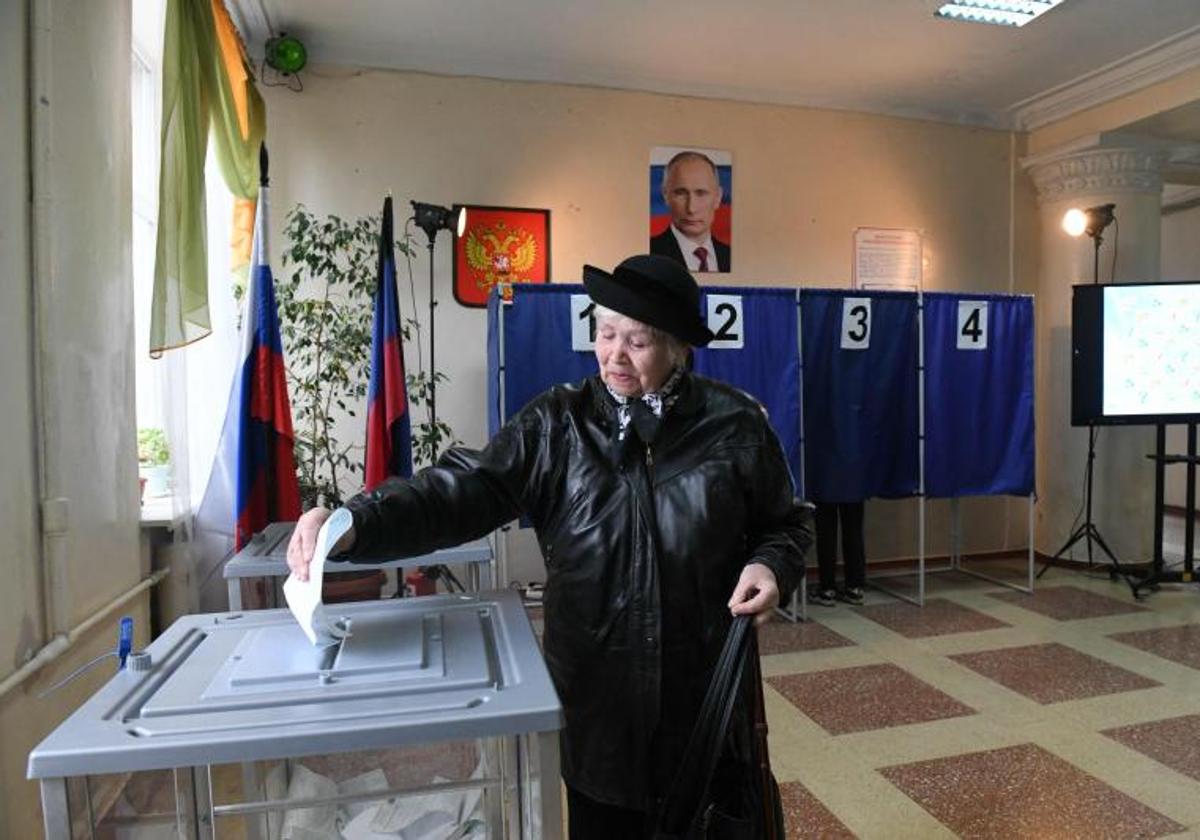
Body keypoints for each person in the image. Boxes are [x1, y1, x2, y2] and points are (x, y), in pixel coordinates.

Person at [287, 254, 811, 838]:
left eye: (637, 342)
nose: (614, 354)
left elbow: (785, 524)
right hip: (598, 704)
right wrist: (353, 523)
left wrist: (772, 565)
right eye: (606, 333)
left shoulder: (734, 424)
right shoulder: (559, 425)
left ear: (679, 348)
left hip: (706, 699)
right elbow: (464, 490)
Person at [650, 151, 731, 272]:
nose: (691, 209)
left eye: (701, 193)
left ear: (718, 197)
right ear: (666, 195)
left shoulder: (728, 255)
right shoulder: (651, 255)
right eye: (681, 193)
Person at [809, 501, 866, 606]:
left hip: (824, 487)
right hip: (854, 487)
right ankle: (854, 588)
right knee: (854, 531)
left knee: (826, 532)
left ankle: (827, 590)